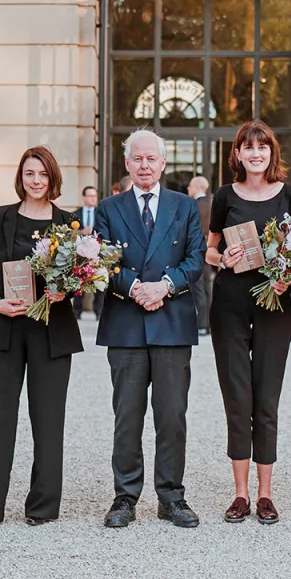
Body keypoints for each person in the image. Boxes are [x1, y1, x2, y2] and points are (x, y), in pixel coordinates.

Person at [0, 146, 83, 528]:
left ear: (53, 179)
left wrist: (67, 291)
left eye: (43, 175)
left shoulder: (70, 225)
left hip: (53, 331)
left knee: (48, 422)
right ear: (21, 177)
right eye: (30, 174)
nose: (36, 181)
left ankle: (43, 508)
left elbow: (82, 282)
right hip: (7, 327)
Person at [95, 129, 206, 528]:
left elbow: (196, 258)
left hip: (171, 322)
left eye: (151, 159)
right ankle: (124, 497)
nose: (144, 165)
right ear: (127, 164)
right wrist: (136, 288)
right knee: (127, 415)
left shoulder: (185, 206)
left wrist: (166, 286)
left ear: (162, 163)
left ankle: (171, 497)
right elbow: (102, 261)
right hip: (126, 324)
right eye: (137, 158)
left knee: (172, 414)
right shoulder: (109, 208)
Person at [206, 122, 291, 525]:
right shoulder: (225, 196)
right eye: (248, 147)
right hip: (229, 305)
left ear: (271, 153)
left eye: (262, 147)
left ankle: (266, 494)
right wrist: (222, 259)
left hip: (274, 308)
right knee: (237, 400)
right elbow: (208, 249)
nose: (256, 153)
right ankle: (240, 494)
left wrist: (289, 277)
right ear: (239, 155)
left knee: (266, 401)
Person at [187, 175, 214, 336]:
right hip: (209, 251)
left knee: (198, 288)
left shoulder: (193, 205)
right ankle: (209, 324)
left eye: (190, 186)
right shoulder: (212, 204)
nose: (188, 189)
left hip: (196, 251)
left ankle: (202, 324)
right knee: (206, 287)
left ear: (197, 187)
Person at [73, 185, 104, 320]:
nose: (93, 199)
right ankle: (76, 312)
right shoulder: (75, 214)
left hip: (97, 253)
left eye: (94, 196)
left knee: (99, 282)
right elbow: (70, 233)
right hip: (80, 253)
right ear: (84, 197)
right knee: (78, 283)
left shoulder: (101, 213)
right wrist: (81, 232)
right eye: (90, 196)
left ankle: (99, 311)